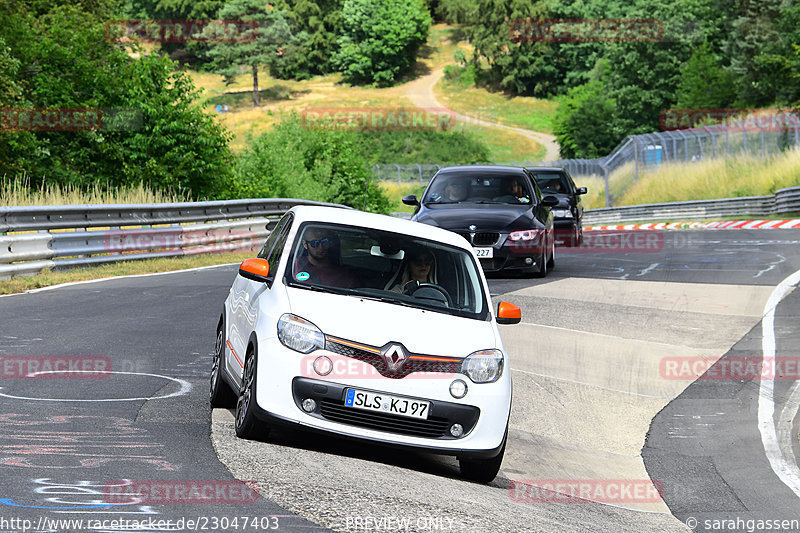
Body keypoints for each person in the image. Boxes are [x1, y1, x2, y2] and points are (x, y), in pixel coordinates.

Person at [294, 227, 359, 288]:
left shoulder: (344, 274)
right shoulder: (294, 265)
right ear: (305, 244)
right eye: (314, 243)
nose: (321, 247)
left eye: (324, 242)